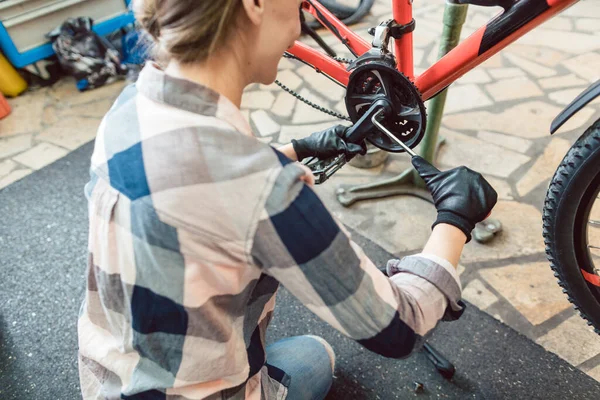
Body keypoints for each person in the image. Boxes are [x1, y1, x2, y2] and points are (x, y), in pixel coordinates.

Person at [77, 0, 497, 399]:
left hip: (110, 381)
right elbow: (398, 329)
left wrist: (297, 149)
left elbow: (195, 176)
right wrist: (455, 219)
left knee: (304, 355)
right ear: (255, 4)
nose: (299, 27)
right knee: (318, 354)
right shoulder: (264, 188)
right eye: (298, 5)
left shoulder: (130, 106)